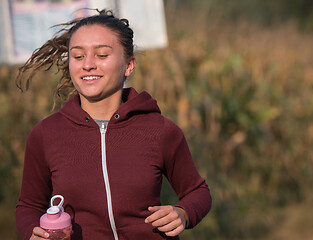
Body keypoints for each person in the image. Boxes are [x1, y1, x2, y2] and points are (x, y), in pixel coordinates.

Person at [15, 9, 211, 240]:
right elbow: (28, 206)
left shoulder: (160, 130)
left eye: (102, 55)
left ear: (129, 65)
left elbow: (198, 192)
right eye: (78, 57)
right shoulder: (46, 134)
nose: (87, 65)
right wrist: (33, 233)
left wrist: (182, 213)